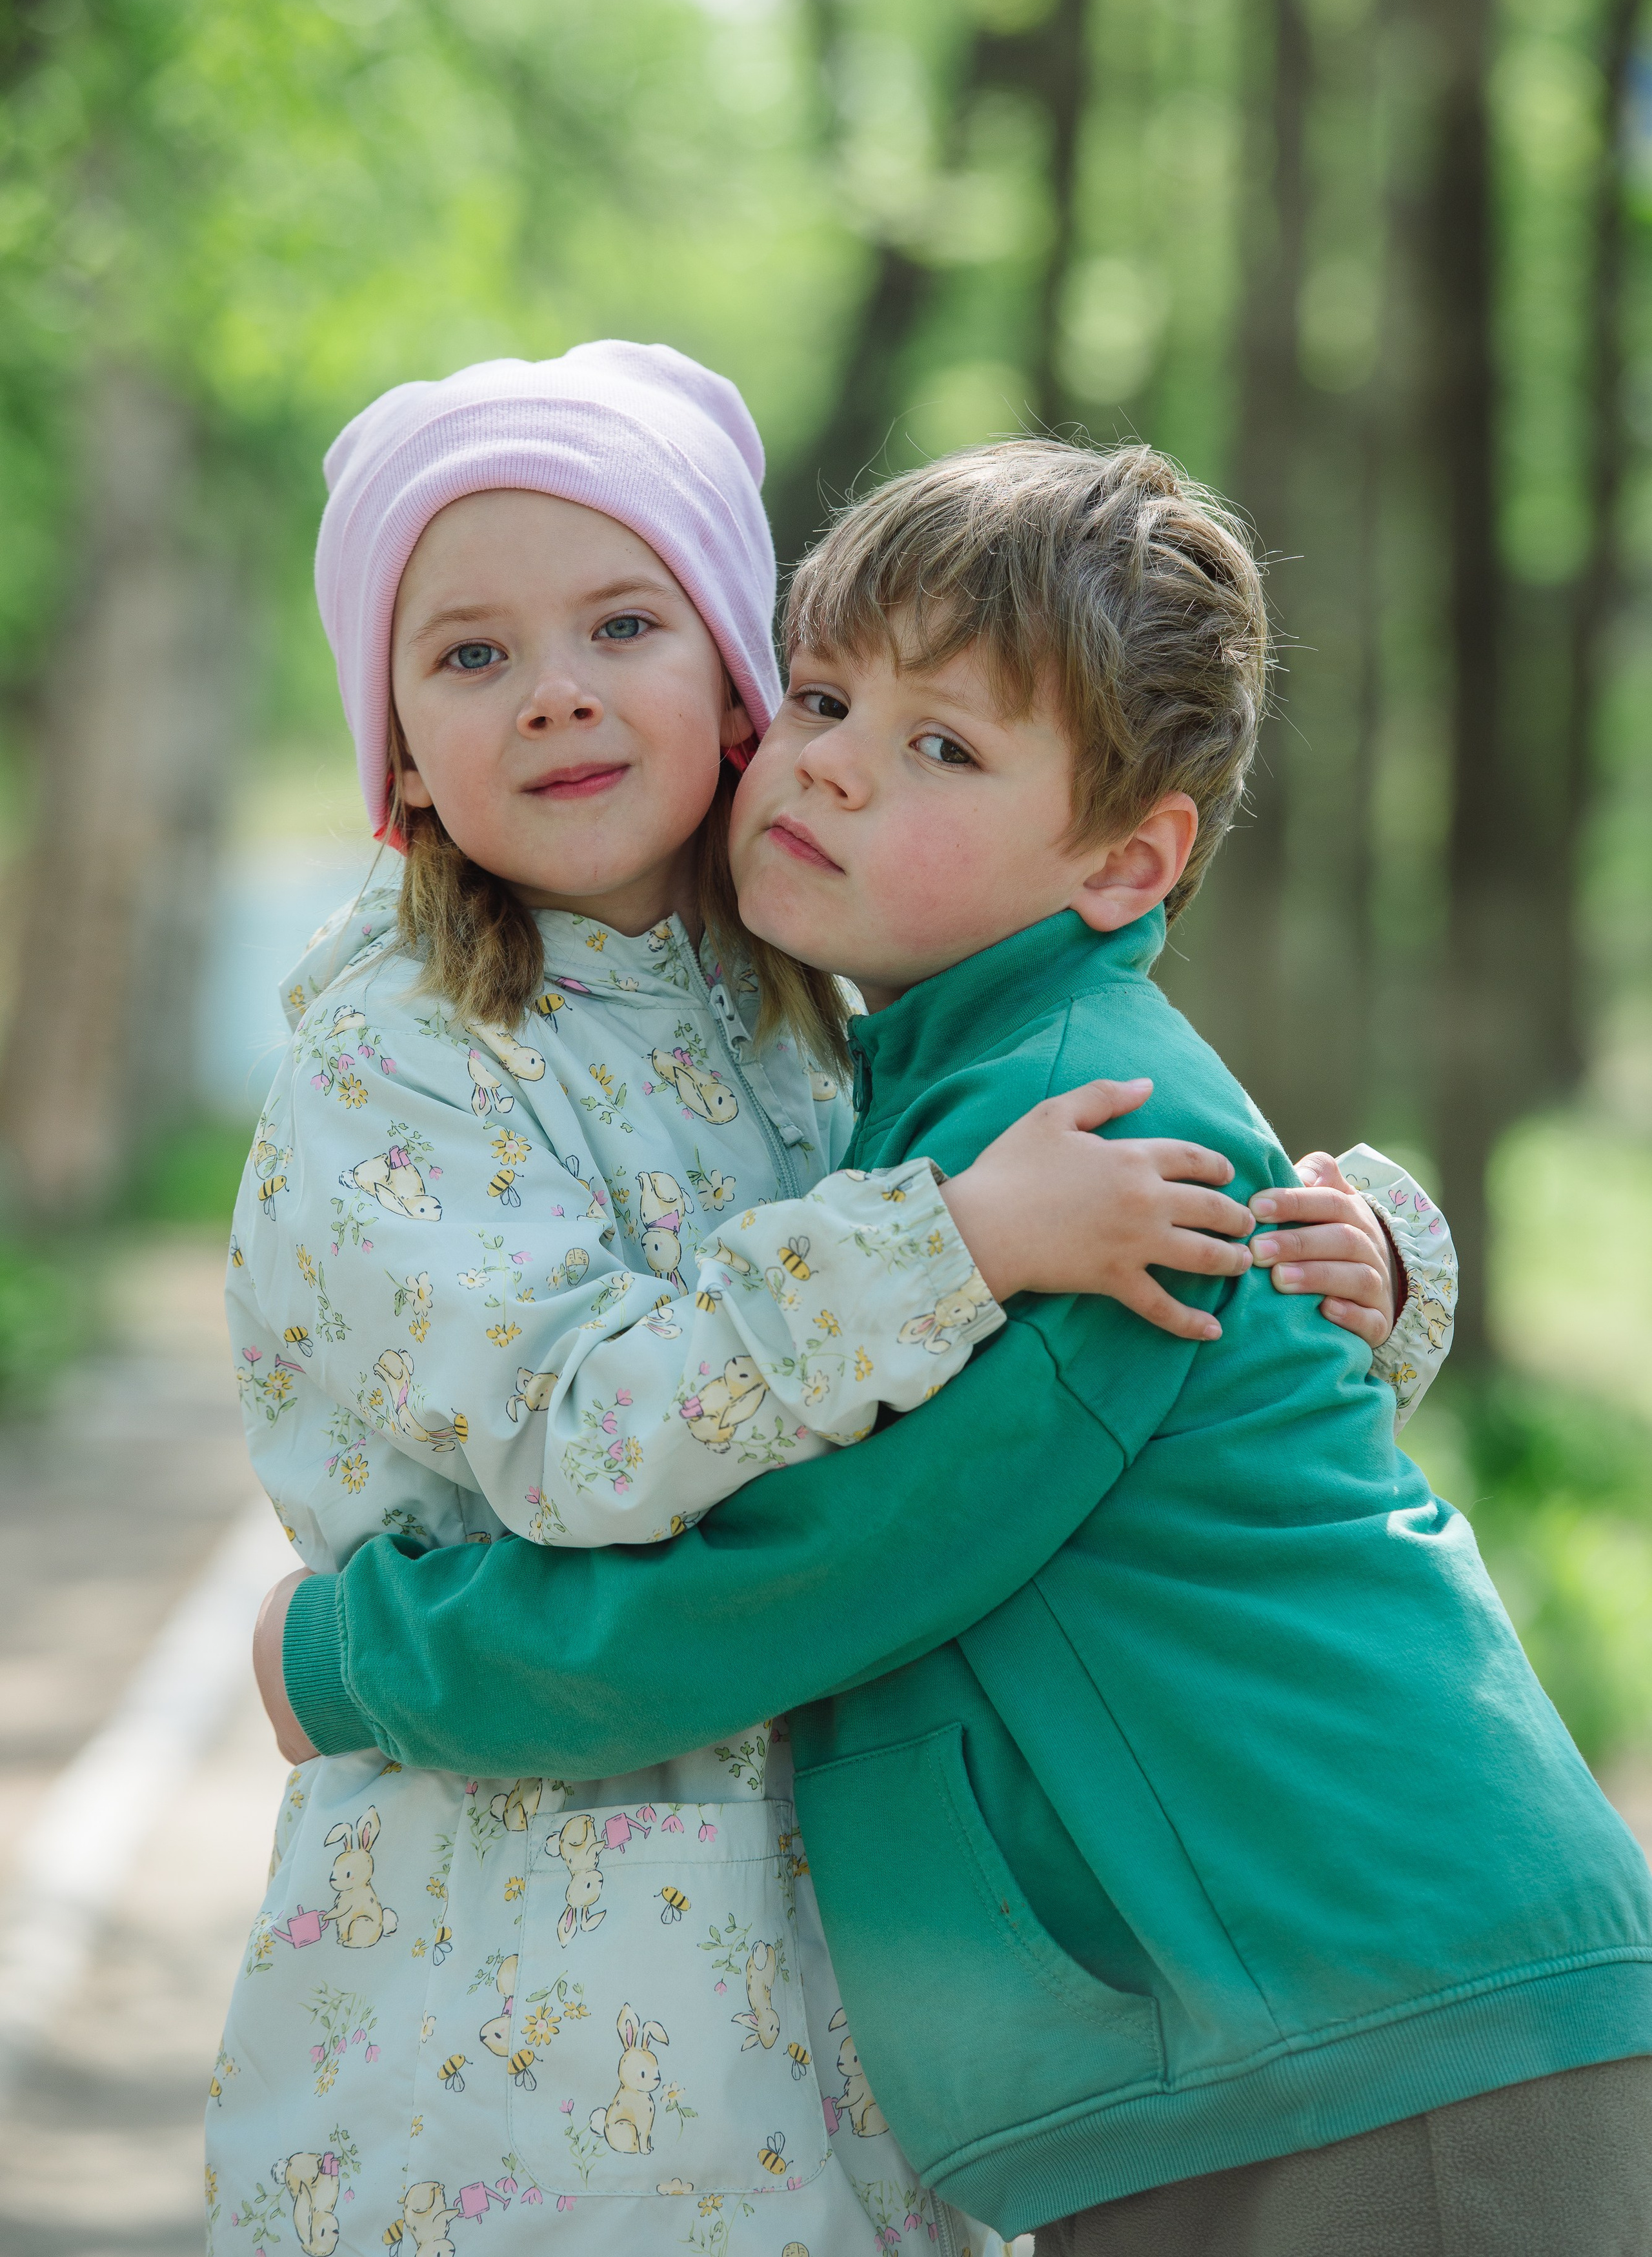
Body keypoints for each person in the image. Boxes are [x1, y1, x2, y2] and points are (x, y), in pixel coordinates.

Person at [242, 433, 1553, 2257]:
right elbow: (606, 1433)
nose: (555, 693)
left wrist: (1369, 1252)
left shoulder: (830, 1031)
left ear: (723, 681)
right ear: (391, 750)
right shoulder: (409, 1063)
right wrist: (968, 1241)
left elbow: (1017, 1458)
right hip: (537, 1969)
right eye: (470, 654)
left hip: (916, 1999)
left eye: (623, 626)